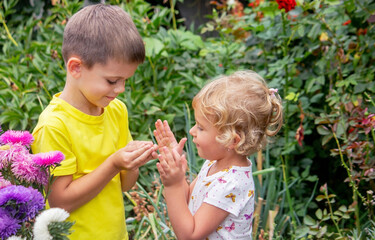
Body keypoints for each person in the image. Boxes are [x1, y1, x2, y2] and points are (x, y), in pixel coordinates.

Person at [31, 4, 157, 240]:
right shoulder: (54, 125)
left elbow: (125, 185)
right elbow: (59, 203)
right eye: (112, 81)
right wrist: (113, 164)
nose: (120, 90)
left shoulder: (115, 110)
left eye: (125, 81)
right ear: (76, 67)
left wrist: (132, 162)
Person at [153, 70, 283, 239]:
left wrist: (173, 185)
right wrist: (174, 168)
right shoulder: (214, 164)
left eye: (201, 127)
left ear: (231, 140)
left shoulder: (231, 184)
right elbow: (187, 200)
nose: (192, 131)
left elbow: (189, 235)